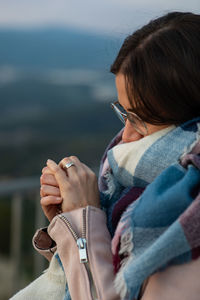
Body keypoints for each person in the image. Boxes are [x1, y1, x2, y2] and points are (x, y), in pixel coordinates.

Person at [35, 11, 200, 300]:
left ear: (190, 124)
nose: (125, 137)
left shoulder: (188, 222)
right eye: (124, 114)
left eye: (139, 120)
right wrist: (69, 226)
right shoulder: (138, 196)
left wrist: (83, 222)